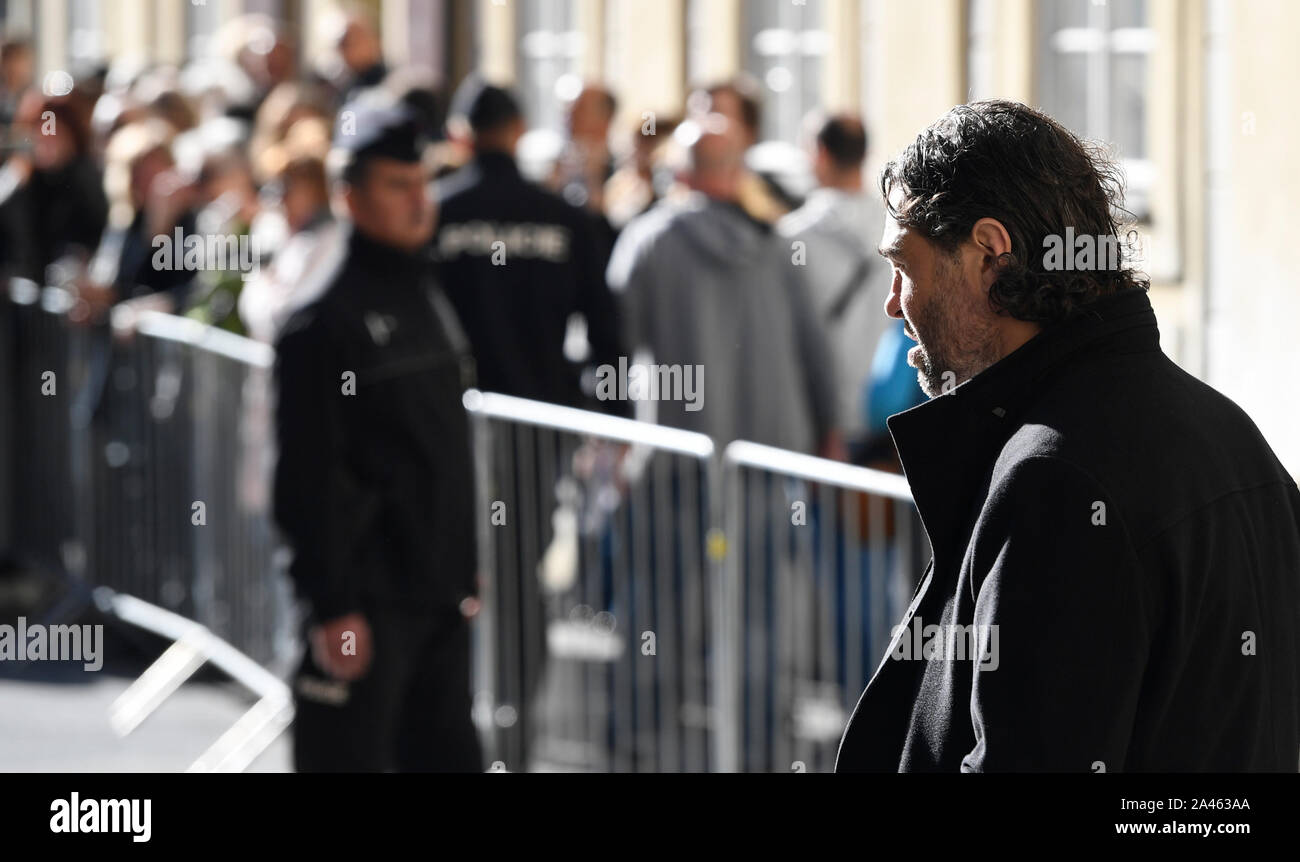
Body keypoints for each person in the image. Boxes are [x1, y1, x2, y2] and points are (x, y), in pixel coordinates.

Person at [836, 100, 1300, 772]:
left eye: (905, 265)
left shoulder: (1055, 479)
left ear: (989, 252)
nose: (892, 301)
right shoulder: (1231, 432)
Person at [272, 93, 482, 772]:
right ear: (350, 196)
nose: (420, 200)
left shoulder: (428, 288)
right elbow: (306, 477)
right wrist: (332, 607)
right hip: (369, 607)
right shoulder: (320, 319)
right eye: (399, 185)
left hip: (440, 601)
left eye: (424, 182)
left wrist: (463, 571)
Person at [606, 114, 839, 456]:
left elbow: (614, 342)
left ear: (680, 173)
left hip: (677, 449)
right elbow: (814, 345)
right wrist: (829, 430)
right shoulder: (778, 246)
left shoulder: (648, 242)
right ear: (738, 171)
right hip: (772, 454)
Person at [433, 78, 626, 410]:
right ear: (519, 129)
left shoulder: (435, 214)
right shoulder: (563, 218)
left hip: (454, 408)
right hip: (543, 410)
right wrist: (616, 411)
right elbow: (605, 326)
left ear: (462, 135)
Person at [778, 113, 892, 452]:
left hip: (828, 426)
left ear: (821, 154)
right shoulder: (898, 227)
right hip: (895, 412)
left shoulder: (790, 239)